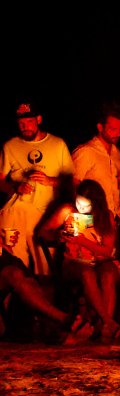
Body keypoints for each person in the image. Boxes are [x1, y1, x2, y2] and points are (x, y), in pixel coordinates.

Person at [39, 180, 120, 343]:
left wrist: (83, 241)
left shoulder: (106, 216)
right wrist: (57, 236)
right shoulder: (67, 211)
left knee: (108, 273)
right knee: (87, 273)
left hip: (100, 260)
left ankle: (103, 328)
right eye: (79, 203)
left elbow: (106, 250)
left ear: (97, 205)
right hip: (74, 263)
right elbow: (43, 232)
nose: (81, 209)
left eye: (86, 206)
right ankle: (108, 323)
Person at [0, 103, 75, 278]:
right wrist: (14, 187)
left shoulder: (57, 144)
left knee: (45, 269)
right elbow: (1, 181)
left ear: (39, 120)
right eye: (21, 123)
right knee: (13, 266)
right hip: (15, 213)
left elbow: (71, 180)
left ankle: (44, 304)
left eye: (29, 121)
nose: (24, 126)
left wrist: (51, 180)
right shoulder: (10, 145)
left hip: (44, 215)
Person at [1, 228, 93, 345]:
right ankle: (65, 320)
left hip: (4, 257)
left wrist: (4, 241)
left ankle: (60, 333)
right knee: (14, 274)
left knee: (30, 284)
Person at [71, 102, 120, 227]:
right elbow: (71, 187)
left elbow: (115, 188)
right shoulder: (86, 151)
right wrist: (84, 221)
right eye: (113, 129)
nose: (118, 134)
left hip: (112, 220)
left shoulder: (116, 152)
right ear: (100, 127)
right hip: (91, 220)